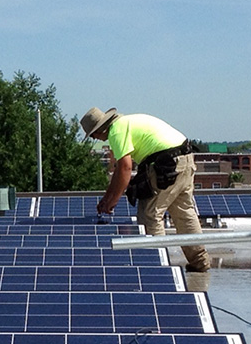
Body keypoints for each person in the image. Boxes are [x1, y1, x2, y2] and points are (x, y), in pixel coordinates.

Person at [80, 107, 210, 272]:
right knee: (184, 213)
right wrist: (107, 198)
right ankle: (200, 263)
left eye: (93, 135)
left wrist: (112, 202)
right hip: (186, 158)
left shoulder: (116, 131)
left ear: (100, 129)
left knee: (150, 215)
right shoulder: (128, 122)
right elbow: (118, 172)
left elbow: (125, 169)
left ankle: (159, 268)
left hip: (166, 165)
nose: (96, 139)